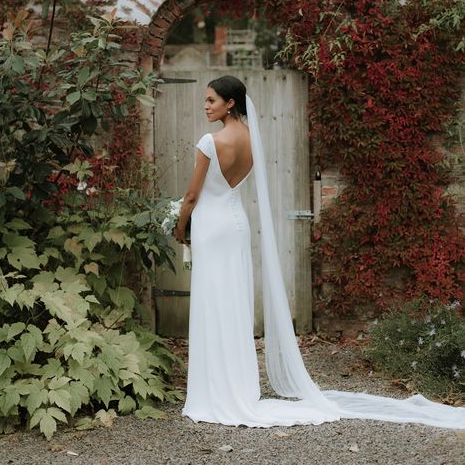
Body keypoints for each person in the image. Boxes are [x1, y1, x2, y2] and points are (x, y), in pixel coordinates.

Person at [173, 75, 465, 429]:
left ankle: (214, 392)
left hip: (211, 228)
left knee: (213, 303)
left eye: (211, 100)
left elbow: (191, 196)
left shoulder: (210, 141)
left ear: (230, 103)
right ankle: (236, 387)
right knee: (233, 302)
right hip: (234, 226)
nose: (206, 106)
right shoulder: (252, 140)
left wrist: (178, 226)